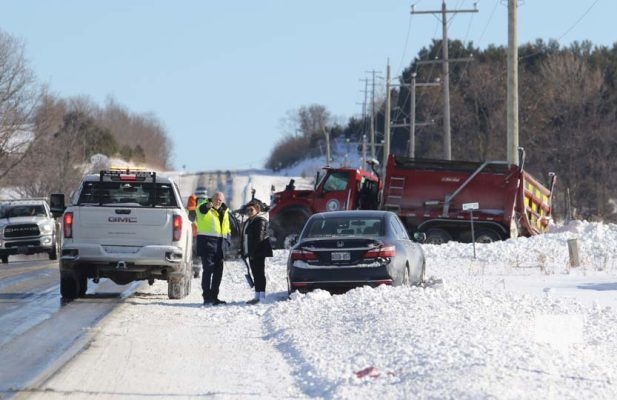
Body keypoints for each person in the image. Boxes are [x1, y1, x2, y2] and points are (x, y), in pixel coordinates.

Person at [194, 191, 232, 306]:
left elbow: (227, 227)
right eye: (216, 199)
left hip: (220, 244)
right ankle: (207, 297)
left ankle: (215, 297)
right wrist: (207, 206)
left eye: (220, 200)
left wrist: (228, 240)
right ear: (212, 198)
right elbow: (201, 211)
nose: (218, 201)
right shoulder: (203, 206)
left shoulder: (225, 210)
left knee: (218, 272)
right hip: (207, 243)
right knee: (208, 270)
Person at [241, 200, 273, 304]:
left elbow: (258, 238)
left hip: (258, 251)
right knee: (255, 273)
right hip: (252, 252)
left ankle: (262, 296)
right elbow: (245, 238)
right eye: (247, 210)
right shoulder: (249, 221)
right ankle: (257, 296)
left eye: (251, 210)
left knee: (259, 273)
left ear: (257, 210)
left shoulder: (260, 221)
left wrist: (252, 253)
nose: (249, 212)